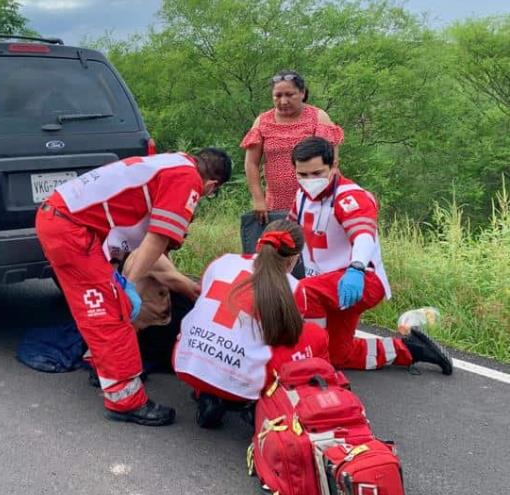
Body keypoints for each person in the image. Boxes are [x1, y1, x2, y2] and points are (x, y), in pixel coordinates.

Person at [36, 149, 233, 426]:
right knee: (111, 312)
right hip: (72, 229)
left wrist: (119, 276)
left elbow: (126, 228)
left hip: (65, 221)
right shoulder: (187, 178)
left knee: (99, 307)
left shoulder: (170, 162)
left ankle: (102, 368)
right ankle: (124, 400)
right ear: (211, 185)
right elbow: (156, 241)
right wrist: (127, 287)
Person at [287, 137, 453, 374]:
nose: (309, 181)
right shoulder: (301, 198)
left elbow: (363, 234)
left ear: (334, 165)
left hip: (360, 280)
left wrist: (356, 268)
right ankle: (410, 350)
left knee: (303, 292)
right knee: (338, 355)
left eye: (317, 173)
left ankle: (312, 362)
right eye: (302, 175)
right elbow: (289, 235)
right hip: (329, 288)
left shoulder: (350, 197)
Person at [172, 220, 330, 429]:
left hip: (186, 363)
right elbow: (285, 338)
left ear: (259, 243)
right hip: (241, 382)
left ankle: (208, 394)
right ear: (294, 258)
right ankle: (259, 401)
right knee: (314, 335)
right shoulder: (293, 288)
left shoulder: (223, 262)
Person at [241, 70, 344, 224]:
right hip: (275, 203)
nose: (283, 101)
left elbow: (331, 162)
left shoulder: (318, 117)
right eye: (278, 96)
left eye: (289, 95)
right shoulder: (262, 121)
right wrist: (258, 199)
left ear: (302, 93)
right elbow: (251, 163)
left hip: (315, 199)